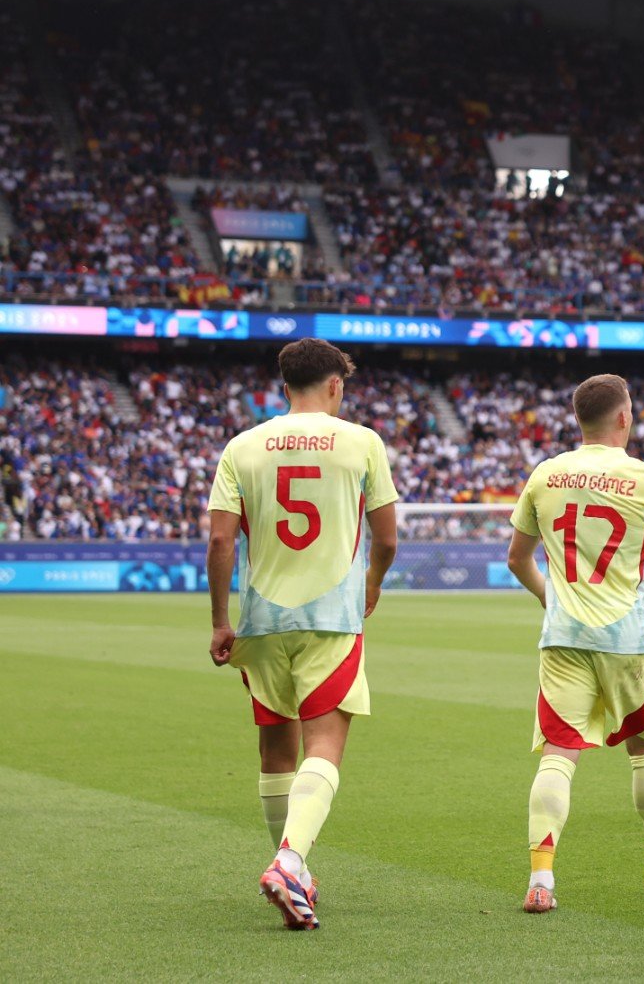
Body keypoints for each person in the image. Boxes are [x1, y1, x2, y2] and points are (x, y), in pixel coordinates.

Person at [205, 338, 399, 931]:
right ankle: (290, 861)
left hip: (262, 621)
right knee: (325, 746)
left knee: (275, 751)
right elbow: (387, 538)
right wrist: (373, 581)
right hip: (329, 618)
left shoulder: (243, 446)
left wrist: (220, 620)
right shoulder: (362, 442)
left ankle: (295, 868)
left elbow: (219, 541)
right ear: (336, 385)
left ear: (283, 386)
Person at [504, 375, 644, 915]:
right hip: (628, 638)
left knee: (558, 756)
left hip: (564, 637)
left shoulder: (547, 473)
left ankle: (541, 880)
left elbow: (517, 558)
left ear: (579, 421)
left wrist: (550, 599)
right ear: (624, 418)